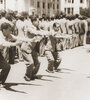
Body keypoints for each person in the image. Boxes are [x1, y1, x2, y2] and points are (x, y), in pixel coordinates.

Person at [0, 23, 21, 87]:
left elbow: (19, 38)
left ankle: (0, 81)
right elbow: (4, 43)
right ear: (4, 30)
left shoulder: (8, 35)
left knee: (7, 67)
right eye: (9, 30)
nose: (11, 32)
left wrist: (31, 40)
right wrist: (15, 44)